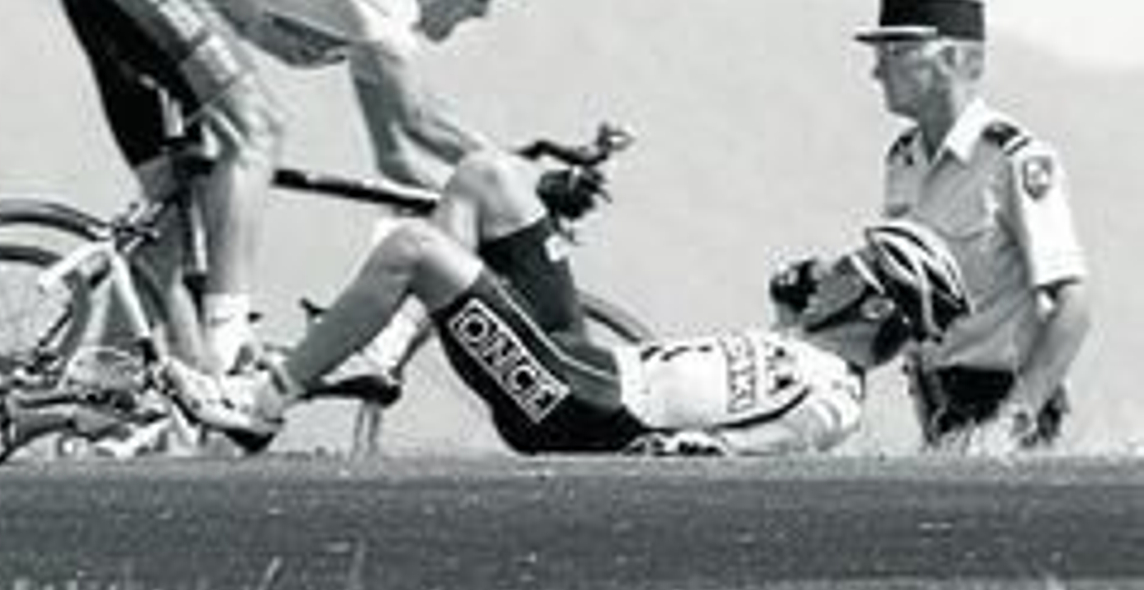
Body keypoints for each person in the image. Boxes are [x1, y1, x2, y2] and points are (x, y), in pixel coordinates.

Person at [162, 147, 972, 457]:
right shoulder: (808, 343)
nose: (832, 266)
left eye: (852, 268)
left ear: (874, 309)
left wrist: (700, 451)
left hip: (583, 408)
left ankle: (261, 404)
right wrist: (794, 301)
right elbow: (766, 345)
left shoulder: (834, 397)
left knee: (412, 248)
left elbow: (755, 446)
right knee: (487, 175)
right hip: (585, 360)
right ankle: (381, 350)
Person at [58, 0, 520, 373]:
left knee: (172, 204)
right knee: (258, 130)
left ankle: (109, 379)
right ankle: (227, 338)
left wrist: (469, 206)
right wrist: (518, 184)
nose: (485, 10)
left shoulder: (367, 7)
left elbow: (396, 156)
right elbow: (417, 119)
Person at [854, 0, 1092, 454]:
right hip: (934, 404)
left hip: (1005, 405)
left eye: (897, 52)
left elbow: (1074, 308)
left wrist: (1012, 422)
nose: (877, 71)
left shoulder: (1014, 161)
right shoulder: (902, 159)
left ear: (951, 60)